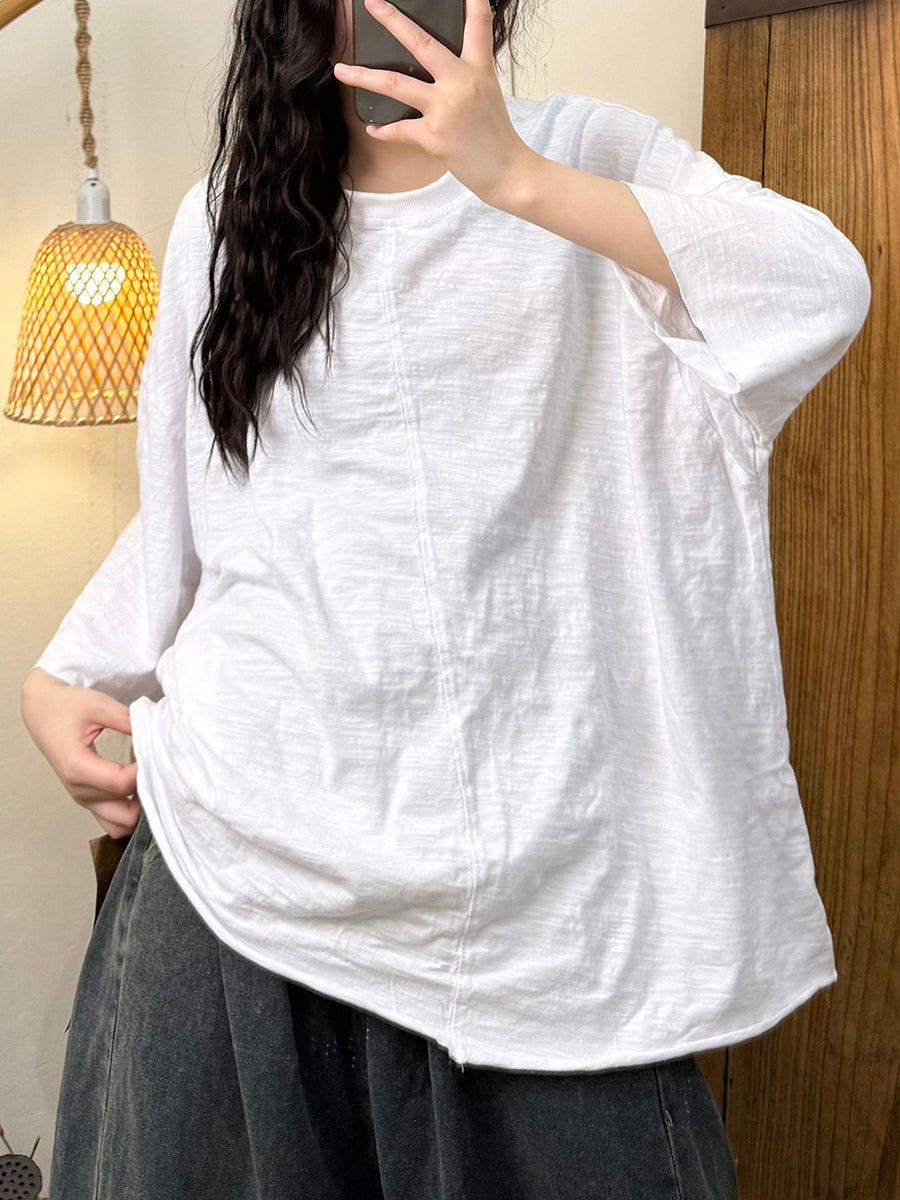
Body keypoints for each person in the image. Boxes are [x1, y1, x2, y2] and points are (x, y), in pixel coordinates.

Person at [21, 0, 871, 1195]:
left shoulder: (586, 156)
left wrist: (514, 175)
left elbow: (820, 287)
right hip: (239, 873)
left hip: (546, 914)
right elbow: (212, 508)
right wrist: (66, 672)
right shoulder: (227, 218)